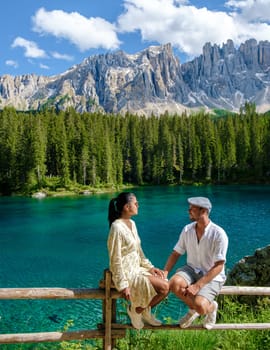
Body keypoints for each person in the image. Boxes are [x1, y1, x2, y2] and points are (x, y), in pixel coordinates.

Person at [164, 196, 228, 329]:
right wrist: (165, 272)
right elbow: (176, 253)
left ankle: (209, 308)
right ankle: (194, 310)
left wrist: (198, 286)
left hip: (212, 275)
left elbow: (219, 266)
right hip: (191, 269)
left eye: (192, 209)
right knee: (174, 283)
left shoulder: (219, 234)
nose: (188, 211)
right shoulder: (187, 229)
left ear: (203, 211)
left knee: (201, 306)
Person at [107, 192, 169, 329]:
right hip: (128, 273)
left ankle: (144, 311)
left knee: (165, 281)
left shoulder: (132, 224)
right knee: (164, 288)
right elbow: (115, 258)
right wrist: (123, 285)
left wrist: (150, 267)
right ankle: (136, 310)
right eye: (135, 203)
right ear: (126, 207)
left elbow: (138, 250)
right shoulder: (116, 227)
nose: (138, 205)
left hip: (138, 269)